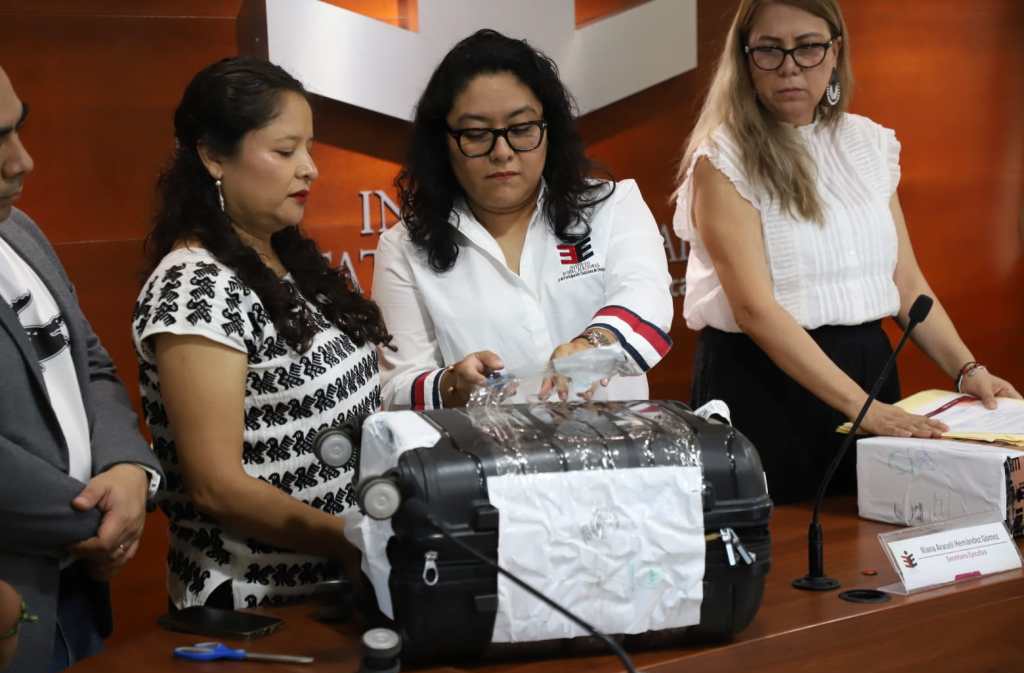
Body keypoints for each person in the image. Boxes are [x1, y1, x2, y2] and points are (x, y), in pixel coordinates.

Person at [672, 0, 1020, 503]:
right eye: (769, 49)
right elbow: (755, 310)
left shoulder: (868, 144)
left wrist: (969, 371)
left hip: (868, 371)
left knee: (875, 531)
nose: (790, 66)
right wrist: (861, 408)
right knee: (787, 542)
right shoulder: (723, 159)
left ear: (835, 52)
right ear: (745, 60)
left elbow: (906, 284)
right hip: (765, 383)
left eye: (808, 47)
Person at [131, 57, 390, 610]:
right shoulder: (195, 286)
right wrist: (349, 539)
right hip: (257, 607)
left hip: (336, 590)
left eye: (309, 148)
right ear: (213, 156)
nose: (310, 169)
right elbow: (217, 487)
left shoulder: (283, 256)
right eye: (285, 150)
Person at [374, 29, 673, 409]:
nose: (502, 152)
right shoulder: (404, 248)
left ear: (549, 130)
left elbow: (646, 300)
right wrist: (450, 385)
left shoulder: (611, 206)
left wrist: (592, 344)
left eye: (521, 129)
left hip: (614, 441)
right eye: (476, 133)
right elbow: (396, 389)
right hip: (482, 446)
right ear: (442, 142)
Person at [0, 67, 162, 673]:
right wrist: (101, 519)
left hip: (78, 600)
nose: (22, 161)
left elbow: (89, 362)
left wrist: (129, 469)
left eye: (18, 128)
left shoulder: (19, 231)